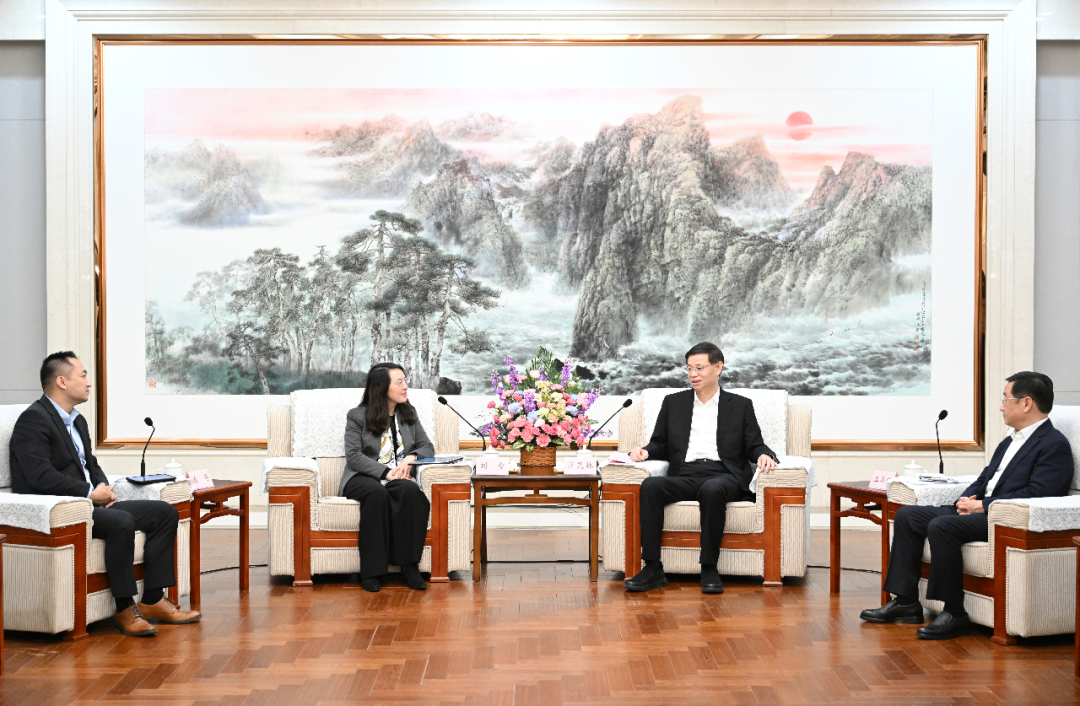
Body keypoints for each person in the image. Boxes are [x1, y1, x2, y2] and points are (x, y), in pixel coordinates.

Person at [861, 371, 1074, 640]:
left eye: (1005, 399)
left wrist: (984, 505)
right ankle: (905, 602)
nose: (1001, 407)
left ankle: (954, 612)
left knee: (942, 526)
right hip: (980, 510)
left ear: (1026, 403)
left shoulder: (1054, 445)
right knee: (907, 516)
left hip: (1003, 520)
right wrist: (967, 500)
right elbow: (984, 478)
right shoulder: (1010, 440)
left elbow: (1040, 493)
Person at [9, 352, 201, 637]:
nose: (89, 383)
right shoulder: (33, 420)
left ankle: (152, 600)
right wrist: (89, 493)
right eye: (83, 375)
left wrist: (103, 489)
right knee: (121, 521)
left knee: (164, 513)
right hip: (65, 509)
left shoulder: (78, 421)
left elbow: (91, 464)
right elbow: (40, 476)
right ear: (61, 381)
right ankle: (124, 607)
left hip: (91, 505)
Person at [624, 342, 779, 594]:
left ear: (718, 367)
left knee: (712, 489)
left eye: (699, 368)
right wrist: (646, 451)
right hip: (685, 474)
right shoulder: (674, 403)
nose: (693, 374)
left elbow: (754, 445)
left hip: (724, 475)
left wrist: (764, 454)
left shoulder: (740, 405)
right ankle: (652, 567)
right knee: (651, 486)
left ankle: (708, 567)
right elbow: (661, 443)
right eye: (689, 368)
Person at [342, 363, 433, 592]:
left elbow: (427, 446)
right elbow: (353, 456)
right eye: (399, 382)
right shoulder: (357, 416)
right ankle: (372, 572)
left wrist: (411, 457)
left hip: (398, 476)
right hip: (363, 476)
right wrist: (385, 473)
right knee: (376, 494)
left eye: (405, 380)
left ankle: (409, 567)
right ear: (381, 387)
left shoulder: (408, 413)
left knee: (411, 492)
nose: (405, 386)